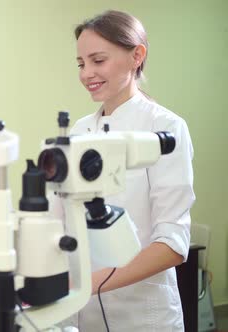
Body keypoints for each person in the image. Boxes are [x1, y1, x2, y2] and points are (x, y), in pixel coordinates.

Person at [67, 10, 195, 331]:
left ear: (137, 56)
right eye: (82, 64)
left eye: (98, 60)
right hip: (82, 313)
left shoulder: (164, 128)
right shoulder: (79, 132)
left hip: (143, 315)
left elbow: (173, 243)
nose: (87, 73)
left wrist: (91, 283)